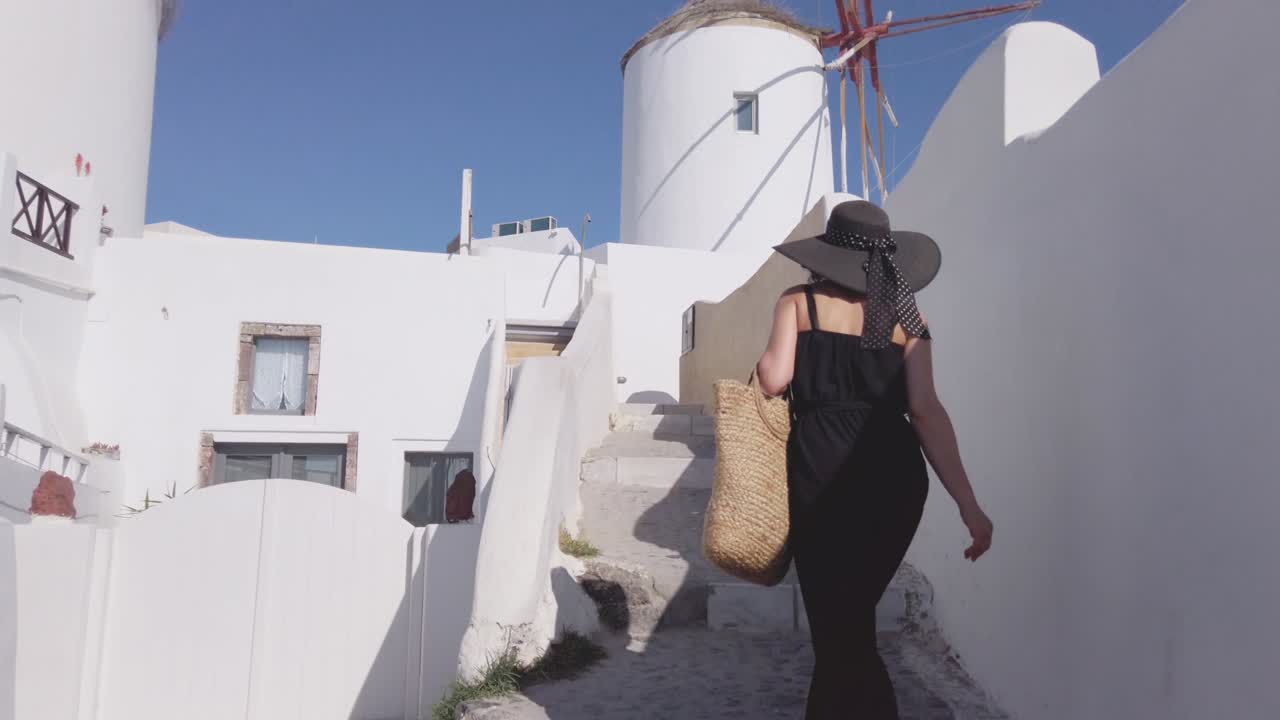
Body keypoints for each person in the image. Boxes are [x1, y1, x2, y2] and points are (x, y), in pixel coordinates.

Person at [756, 200, 993, 719]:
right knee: (851, 624)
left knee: (839, 630)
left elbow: (773, 379)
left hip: (821, 469)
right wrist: (968, 504)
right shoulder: (910, 318)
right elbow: (926, 412)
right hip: (894, 475)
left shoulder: (799, 302)